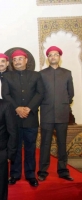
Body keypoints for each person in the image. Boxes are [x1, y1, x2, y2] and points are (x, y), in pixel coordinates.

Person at [2, 50, 44, 187]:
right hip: (14, 119)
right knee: (15, 148)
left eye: (20, 59)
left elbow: (40, 93)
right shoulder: (7, 76)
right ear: (12, 62)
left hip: (30, 118)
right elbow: (6, 95)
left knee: (31, 148)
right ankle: (14, 174)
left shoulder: (36, 75)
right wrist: (17, 108)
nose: (18, 61)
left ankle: (31, 175)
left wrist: (29, 108)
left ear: (26, 60)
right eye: (15, 59)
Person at [37, 46, 74, 181]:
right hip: (46, 113)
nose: (53, 57)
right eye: (50, 55)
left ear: (59, 57)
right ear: (48, 58)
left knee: (62, 142)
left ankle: (63, 170)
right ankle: (42, 171)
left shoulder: (67, 73)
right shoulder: (41, 74)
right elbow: (39, 93)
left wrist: (62, 103)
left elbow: (71, 93)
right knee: (45, 143)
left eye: (56, 54)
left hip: (62, 113)